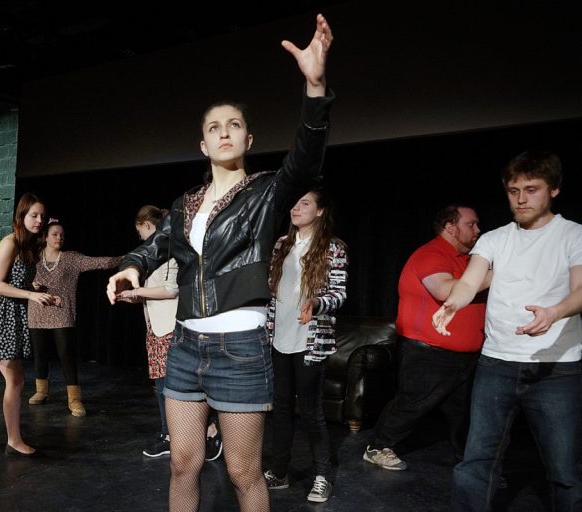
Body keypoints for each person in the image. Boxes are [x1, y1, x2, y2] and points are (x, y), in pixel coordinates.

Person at [106, 14, 335, 512]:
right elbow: (156, 246)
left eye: (234, 125)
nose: (224, 132)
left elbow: (308, 159)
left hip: (242, 348)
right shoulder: (186, 201)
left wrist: (314, 88)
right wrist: (130, 266)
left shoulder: (268, 192)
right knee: (183, 464)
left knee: (243, 474)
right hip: (185, 345)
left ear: (249, 140)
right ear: (203, 144)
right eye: (214, 127)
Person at [432, 151, 582, 511]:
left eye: (531, 189)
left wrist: (555, 312)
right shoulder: (495, 239)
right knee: (475, 465)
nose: (521, 198)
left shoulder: (573, 235)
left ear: (554, 190)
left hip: (556, 368)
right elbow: (469, 282)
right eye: (514, 190)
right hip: (496, 364)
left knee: (564, 470)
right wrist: (454, 302)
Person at [363, 205, 489, 471]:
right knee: (414, 402)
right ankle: (377, 446)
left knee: (465, 412)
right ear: (451, 228)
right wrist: (499, 275)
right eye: (472, 224)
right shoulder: (431, 254)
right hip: (429, 352)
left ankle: (470, 461)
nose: (478, 230)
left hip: (465, 355)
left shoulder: (469, 260)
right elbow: (445, 290)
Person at [116, 206, 223, 461]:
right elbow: (152, 292)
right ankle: (170, 435)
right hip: (155, 326)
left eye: (139, 230)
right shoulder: (149, 257)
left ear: (148, 226)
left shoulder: (173, 253)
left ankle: (206, 431)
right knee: (162, 384)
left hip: (173, 326)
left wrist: (137, 292)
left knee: (177, 385)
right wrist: (134, 298)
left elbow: (171, 289)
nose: (140, 237)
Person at [263, 186, 347, 503]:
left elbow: (339, 294)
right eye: (294, 203)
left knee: (311, 413)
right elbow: (273, 293)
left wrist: (317, 301)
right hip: (280, 338)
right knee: (281, 410)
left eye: (305, 203)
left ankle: (322, 476)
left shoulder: (332, 248)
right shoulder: (281, 245)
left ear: (320, 210)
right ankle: (280, 472)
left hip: (310, 342)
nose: (296, 208)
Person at [0, 193, 55, 457]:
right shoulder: (10, 242)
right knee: (15, 380)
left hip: (11, 313)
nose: (39, 220)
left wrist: (37, 290)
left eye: (42, 216)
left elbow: (16, 281)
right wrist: (30, 294)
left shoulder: (29, 245)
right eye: (33, 215)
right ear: (21, 215)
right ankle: (14, 441)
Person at [27, 218, 121, 416]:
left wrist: (128, 259)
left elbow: (100, 262)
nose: (59, 237)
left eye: (62, 235)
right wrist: (31, 286)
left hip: (62, 313)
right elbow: (20, 280)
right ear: (45, 237)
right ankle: (41, 391)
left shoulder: (71, 258)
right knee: (40, 353)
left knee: (66, 354)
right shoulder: (33, 257)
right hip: (37, 311)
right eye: (55, 234)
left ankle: (74, 398)